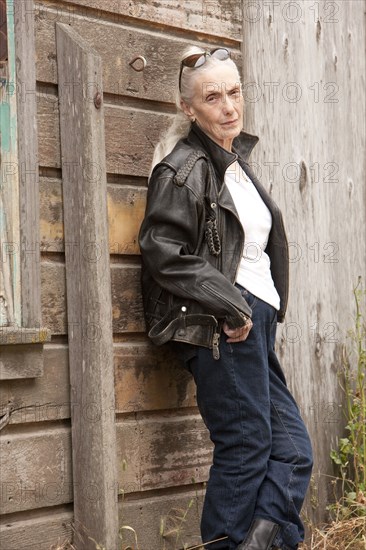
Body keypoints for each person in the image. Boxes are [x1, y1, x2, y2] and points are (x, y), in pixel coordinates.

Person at [138, 46, 313, 550]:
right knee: (246, 446)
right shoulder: (184, 168)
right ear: (188, 109)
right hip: (223, 324)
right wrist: (229, 303)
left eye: (234, 93)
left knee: (294, 451)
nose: (229, 106)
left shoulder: (233, 163)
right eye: (212, 97)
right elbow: (162, 251)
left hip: (255, 321)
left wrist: (259, 308)